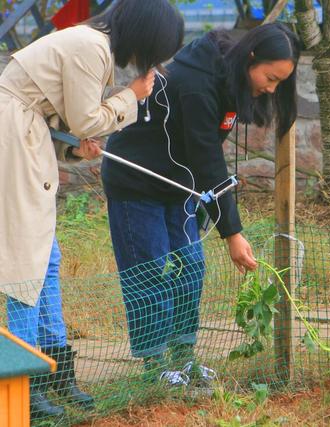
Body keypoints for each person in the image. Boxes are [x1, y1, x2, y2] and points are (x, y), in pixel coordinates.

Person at [0, 0, 184, 418]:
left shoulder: (90, 43)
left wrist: (79, 145)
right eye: (157, 51)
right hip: (15, 135)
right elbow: (86, 122)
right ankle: (21, 384)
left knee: (46, 259)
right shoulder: (91, 46)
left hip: (25, 132)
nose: (152, 63)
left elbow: (70, 123)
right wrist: (130, 98)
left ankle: (54, 371)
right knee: (26, 264)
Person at [101, 23, 302, 384]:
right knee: (151, 271)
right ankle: (155, 366)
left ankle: (184, 357)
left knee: (190, 268)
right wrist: (232, 233)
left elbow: (203, 159)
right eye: (270, 78)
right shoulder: (198, 82)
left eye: (279, 84)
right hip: (136, 182)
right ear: (251, 57)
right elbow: (207, 158)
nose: (271, 89)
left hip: (179, 185)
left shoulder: (231, 77)